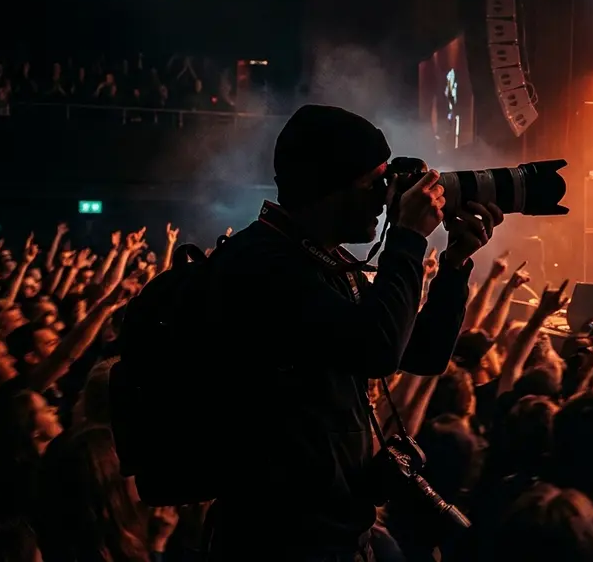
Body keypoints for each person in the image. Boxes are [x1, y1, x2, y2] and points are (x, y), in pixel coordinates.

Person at [206, 105, 503, 561]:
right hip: (279, 540)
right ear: (330, 188)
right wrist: (406, 237)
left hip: (334, 531)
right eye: (375, 183)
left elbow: (421, 353)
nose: (386, 199)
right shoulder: (263, 263)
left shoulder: (321, 262)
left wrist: (455, 265)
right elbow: (378, 349)